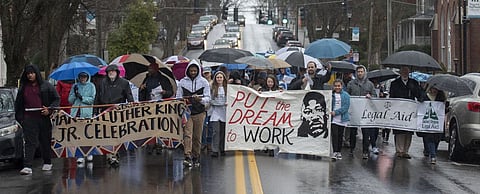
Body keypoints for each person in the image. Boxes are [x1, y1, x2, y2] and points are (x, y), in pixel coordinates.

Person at [15, 64, 60, 175]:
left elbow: (56, 99)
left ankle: (47, 162)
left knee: (45, 140)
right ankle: (27, 166)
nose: (30, 75)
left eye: (32, 73)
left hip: (43, 117)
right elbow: (18, 104)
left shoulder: (46, 86)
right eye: (28, 74)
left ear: (36, 74)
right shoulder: (23, 87)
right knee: (30, 142)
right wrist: (21, 119)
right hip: (29, 118)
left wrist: (49, 110)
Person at [96, 64, 134, 166]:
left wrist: (131, 108)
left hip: (118, 112)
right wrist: (95, 111)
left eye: (113, 71)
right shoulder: (102, 83)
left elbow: (129, 97)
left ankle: (115, 153)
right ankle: (110, 155)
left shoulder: (124, 83)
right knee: (107, 134)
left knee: (116, 134)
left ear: (117, 72)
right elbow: (97, 98)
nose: (111, 73)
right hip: (105, 111)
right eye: (109, 72)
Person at [176, 60, 211, 167]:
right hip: (187, 112)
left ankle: (196, 156)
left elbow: (208, 98)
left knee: (197, 136)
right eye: (191, 71)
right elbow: (178, 97)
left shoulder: (204, 82)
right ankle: (187, 155)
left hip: (200, 112)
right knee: (188, 134)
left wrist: (200, 99)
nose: (193, 72)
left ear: (198, 71)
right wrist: (182, 101)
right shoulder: (182, 82)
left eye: (195, 71)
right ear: (188, 71)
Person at [389, 66, 424, 159]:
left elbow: (419, 94)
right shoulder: (394, 83)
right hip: (398, 111)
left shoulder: (414, 83)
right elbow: (392, 96)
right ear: (400, 72)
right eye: (403, 71)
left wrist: (413, 89)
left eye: (406, 72)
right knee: (399, 130)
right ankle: (399, 150)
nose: (405, 73)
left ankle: (406, 150)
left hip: (410, 110)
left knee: (408, 131)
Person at [346, 65, 378, 159]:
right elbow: (347, 95)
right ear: (356, 73)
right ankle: (352, 149)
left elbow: (375, 96)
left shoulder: (370, 84)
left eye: (361, 71)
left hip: (365, 112)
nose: (360, 73)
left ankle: (365, 151)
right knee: (353, 131)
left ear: (364, 72)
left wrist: (370, 96)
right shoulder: (351, 83)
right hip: (354, 111)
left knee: (366, 132)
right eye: (358, 72)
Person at [68, 71, 96, 163]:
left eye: (84, 77)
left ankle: (89, 153)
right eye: (81, 77)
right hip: (76, 112)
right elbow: (70, 100)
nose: (82, 79)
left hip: (87, 113)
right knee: (78, 135)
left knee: (88, 134)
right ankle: (80, 154)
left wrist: (82, 98)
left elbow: (92, 99)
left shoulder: (91, 86)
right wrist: (75, 94)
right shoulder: (75, 86)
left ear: (87, 77)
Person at [417, 85, 446, 164]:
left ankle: (430, 151)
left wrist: (446, 107)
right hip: (428, 123)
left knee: (436, 139)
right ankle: (433, 155)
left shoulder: (441, 98)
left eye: (436, 89)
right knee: (429, 138)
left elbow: (444, 110)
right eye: (433, 88)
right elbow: (420, 104)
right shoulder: (425, 96)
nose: (434, 90)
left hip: (437, 123)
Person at [330, 79, 350, 160]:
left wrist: (336, 112)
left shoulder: (346, 95)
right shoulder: (331, 95)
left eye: (339, 86)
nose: (337, 87)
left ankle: (339, 152)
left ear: (341, 86)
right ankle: (335, 151)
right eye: (336, 86)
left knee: (340, 135)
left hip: (342, 119)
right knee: (334, 135)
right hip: (333, 119)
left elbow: (346, 107)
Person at [209, 71, 227, 157]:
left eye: (221, 77)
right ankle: (214, 150)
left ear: (223, 79)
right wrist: (218, 103)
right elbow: (210, 100)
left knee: (223, 132)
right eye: (218, 77)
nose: (219, 79)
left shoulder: (227, 88)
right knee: (216, 131)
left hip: (224, 112)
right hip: (215, 112)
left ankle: (222, 148)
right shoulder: (212, 88)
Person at [201, 66, 213, 153]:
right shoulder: (201, 83)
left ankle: (209, 143)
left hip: (212, 108)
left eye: (207, 73)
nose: (206, 75)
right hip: (203, 107)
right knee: (203, 126)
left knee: (210, 127)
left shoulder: (213, 83)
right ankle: (203, 143)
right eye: (204, 73)